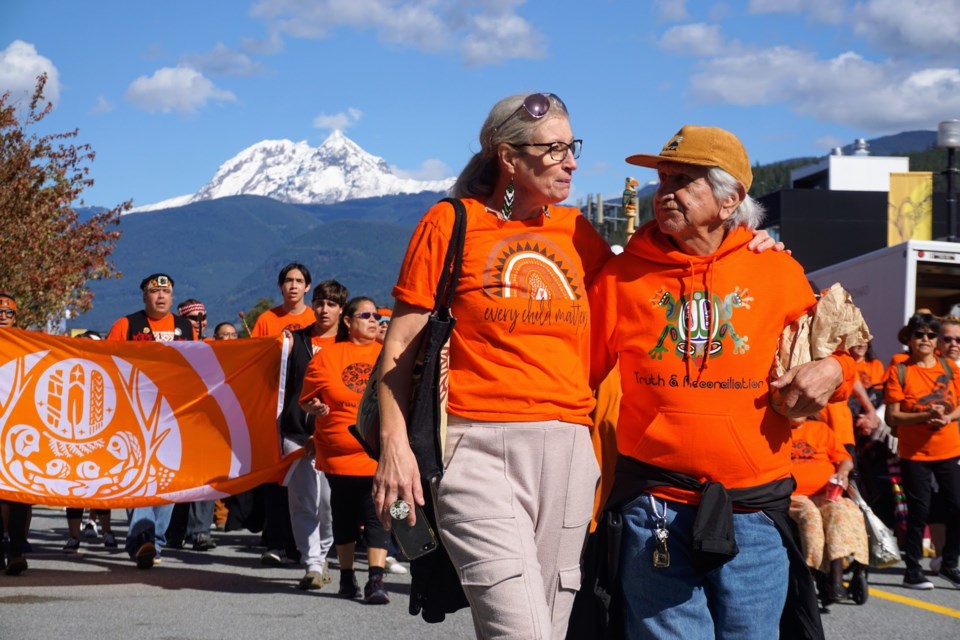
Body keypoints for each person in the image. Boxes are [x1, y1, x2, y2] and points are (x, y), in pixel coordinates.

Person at [589, 125, 849, 639]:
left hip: (754, 508)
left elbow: (835, 359)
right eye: (663, 178)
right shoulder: (619, 278)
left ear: (730, 199)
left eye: (685, 181)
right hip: (655, 506)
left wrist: (838, 369)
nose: (664, 191)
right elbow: (578, 381)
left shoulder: (777, 271)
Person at [373, 92, 613, 637]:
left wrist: (749, 237)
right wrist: (394, 447)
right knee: (521, 630)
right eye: (553, 149)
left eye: (571, 146)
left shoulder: (578, 231)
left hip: (571, 451)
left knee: (550, 626)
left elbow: (652, 278)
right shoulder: (451, 222)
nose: (571, 160)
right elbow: (400, 346)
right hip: (475, 448)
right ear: (508, 157)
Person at [300, 296, 390, 604]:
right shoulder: (327, 356)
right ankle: (347, 576)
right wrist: (313, 406)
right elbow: (307, 398)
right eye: (366, 315)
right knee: (344, 516)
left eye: (376, 315)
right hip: (338, 457)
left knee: (378, 513)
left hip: (377, 455)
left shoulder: (388, 354)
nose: (373, 320)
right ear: (348, 322)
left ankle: (376, 579)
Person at [106, 273, 194, 568]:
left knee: (167, 481)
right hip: (133, 414)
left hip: (172, 416)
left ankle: (154, 542)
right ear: (144, 296)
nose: (160, 296)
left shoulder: (185, 327)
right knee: (139, 477)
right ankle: (141, 540)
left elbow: (196, 368)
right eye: (154, 292)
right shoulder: (126, 325)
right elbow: (106, 363)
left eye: (166, 292)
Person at [274, 280, 346, 590]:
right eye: (319, 302)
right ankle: (312, 562)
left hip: (336, 436)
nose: (324, 309)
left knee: (329, 503)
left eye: (331, 304)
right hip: (297, 432)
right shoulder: (294, 342)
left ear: (342, 309)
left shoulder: (348, 344)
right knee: (302, 501)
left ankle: (325, 551)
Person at [883, 312, 960, 589]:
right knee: (919, 511)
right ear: (910, 339)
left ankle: (948, 563)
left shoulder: (949, 367)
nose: (925, 339)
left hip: (949, 449)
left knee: (957, 506)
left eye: (930, 335)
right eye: (919, 335)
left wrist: (948, 417)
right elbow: (893, 417)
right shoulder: (900, 369)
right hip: (915, 453)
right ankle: (913, 570)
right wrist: (925, 414)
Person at [789, 415, 869, 607]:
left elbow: (845, 459)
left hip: (826, 493)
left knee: (842, 511)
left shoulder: (821, 429)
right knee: (811, 516)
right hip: (793, 496)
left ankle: (836, 580)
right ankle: (818, 575)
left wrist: (842, 472)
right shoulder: (776, 430)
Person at [162, 300, 218, 552]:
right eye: (193, 318)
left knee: (205, 478)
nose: (199, 321)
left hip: (206, 421)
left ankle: (200, 532)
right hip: (176, 419)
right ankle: (175, 531)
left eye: (202, 317)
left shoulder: (214, 347)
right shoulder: (173, 349)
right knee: (179, 478)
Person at [0, 293, 31, 575]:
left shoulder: (27, 345)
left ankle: (17, 551)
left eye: (8, 313)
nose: (2, 316)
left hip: (20, 431)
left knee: (20, 493)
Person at [251, 263, 316, 336]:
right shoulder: (265, 321)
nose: (294, 286)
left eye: (299, 281)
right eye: (289, 280)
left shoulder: (316, 319)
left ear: (307, 287)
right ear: (280, 285)